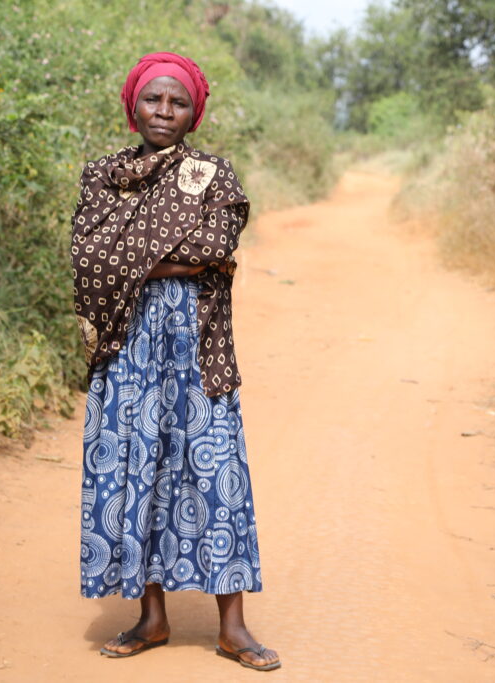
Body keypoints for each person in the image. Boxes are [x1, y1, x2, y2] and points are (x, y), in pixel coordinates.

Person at [70, 51, 280, 671]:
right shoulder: (103, 176)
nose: (164, 111)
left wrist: (128, 259)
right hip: (126, 348)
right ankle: (152, 618)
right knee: (136, 470)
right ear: (133, 105)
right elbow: (88, 259)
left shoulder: (213, 176)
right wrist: (176, 261)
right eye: (154, 99)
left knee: (215, 472)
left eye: (178, 102)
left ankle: (233, 628)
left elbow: (216, 243)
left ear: (194, 113)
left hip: (197, 347)